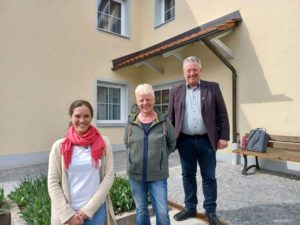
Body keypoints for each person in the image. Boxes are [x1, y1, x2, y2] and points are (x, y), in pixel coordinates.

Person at [168, 56, 230, 225]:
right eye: (188, 70)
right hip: (184, 142)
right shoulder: (176, 91)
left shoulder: (213, 88)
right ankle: (190, 207)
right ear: (184, 72)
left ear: (200, 71)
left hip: (206, 140)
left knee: (209, 177)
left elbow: (222, 114)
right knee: (187, 175)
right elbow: (170, 119)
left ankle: (210, 211)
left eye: (195, 69)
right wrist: (169, 141)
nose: (192, 73)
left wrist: (224, 136)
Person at [48, 100, 116, 225]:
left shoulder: (103, 143)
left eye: (86, 116)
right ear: (71, 117)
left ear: (91, 117)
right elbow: (53, 183)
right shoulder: (59, 146)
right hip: (69, 216)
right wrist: (68, 215)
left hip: (95, 212)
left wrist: (88, 210)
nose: (82, 120)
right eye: (77, 116)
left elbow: (109, 176)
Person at [124, 84, 176, 225]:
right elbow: (127, 143)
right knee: (141, 211)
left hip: (158, 176)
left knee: (162, 212)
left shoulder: (164, 121)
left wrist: (161, 155)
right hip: (136, 175)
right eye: (141, 100)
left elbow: (172, 143)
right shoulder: (130, 123)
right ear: (137, 101)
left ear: (153, 100)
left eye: (148, 99)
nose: (145, 103)